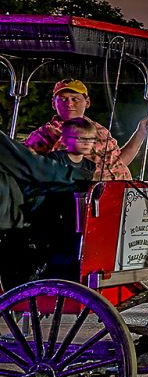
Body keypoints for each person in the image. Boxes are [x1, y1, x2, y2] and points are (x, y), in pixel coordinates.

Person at [0, 120, 99, 290]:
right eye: (80, 138)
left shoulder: (91, 166)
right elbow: (32, 166)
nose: (85, 142)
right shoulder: (56, 159)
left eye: (90, 139)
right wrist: (74, 179)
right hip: (37, 217)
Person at [25, 78, 148, 181]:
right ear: (53, 103)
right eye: (63, 99)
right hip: (84, 200)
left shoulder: (100, 130)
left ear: (87, 102)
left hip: (122, 193)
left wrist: (141, 132)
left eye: (75, 99)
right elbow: (29, 170)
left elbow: (119, 162)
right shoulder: (44, 135)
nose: (69, 104)